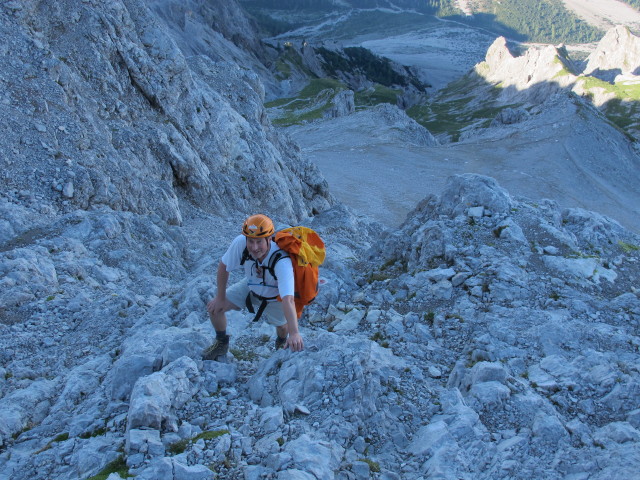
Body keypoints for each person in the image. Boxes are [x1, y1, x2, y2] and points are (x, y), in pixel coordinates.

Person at [202, 214, 304, 360]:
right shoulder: (240, 243)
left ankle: (281, 340)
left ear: (269, 239)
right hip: (251, 286)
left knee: (282, 327)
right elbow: (224, 266)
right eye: (251, 241)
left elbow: (288, 299)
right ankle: (221, 343)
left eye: (259, 242)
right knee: (214, 308)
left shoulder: (282, 261)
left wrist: (294, 333)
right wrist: (220, 297)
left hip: (275, 296)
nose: (254, 247)